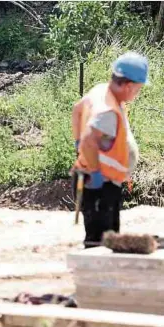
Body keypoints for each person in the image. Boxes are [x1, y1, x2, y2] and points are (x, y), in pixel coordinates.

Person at [71, 51, 148, 248]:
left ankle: (102, 276)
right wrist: (95, 171)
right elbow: (90, 140)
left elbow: (77, 110)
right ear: (129, 86)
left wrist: (77, 145)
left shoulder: (100, 91)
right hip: (99, 183)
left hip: (96, 180)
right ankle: (98, 278)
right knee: (100, 244)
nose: (137, 94)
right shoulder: (107, 111)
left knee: (104, 239)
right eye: (138, 89)